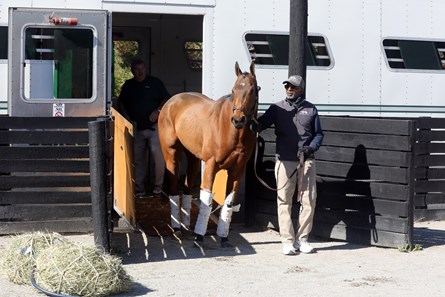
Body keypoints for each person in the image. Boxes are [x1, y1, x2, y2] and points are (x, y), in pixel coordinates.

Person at [256, 75, 324, 255]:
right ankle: (287, 241)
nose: (289, 89)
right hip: (284, 160)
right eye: (287, 86)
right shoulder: (277, 108)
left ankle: (303, 240)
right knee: (284, 201)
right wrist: (250, 121)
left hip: (307, 161)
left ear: (301, 89)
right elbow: (261, 124)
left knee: (309, 201)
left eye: (293, 87)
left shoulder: (311, 109)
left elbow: (319, 134)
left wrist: (311, 148)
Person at [117, 59, 170, 197]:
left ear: (146, 69)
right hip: (136, 128)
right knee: (137, 159)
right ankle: (139, 189)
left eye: (142, 69)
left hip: (154, 128)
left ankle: (158, 188)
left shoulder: (155, 83)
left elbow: (166, 99)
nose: (140, 72)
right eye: (136, 69)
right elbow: (121, 102)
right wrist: (126, 115)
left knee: (158, 157)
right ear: (132, 71)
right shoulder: (128, 85)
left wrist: (158, 111)